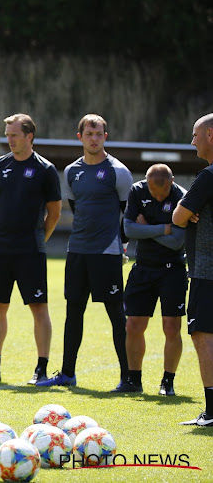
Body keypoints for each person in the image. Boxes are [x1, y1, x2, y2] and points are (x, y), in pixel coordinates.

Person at [36, 114, 133, 391]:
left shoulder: (118, 171)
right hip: (77, 251)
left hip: (107, 253)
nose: (94, 139)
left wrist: (121, 246)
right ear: (80, 137)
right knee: (73, 311)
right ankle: (67, 373)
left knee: (116, 314)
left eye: (99, 134)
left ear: (105, 136)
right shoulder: (71, 172)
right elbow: (77, 208)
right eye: (89, 134)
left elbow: (128, 215)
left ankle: (128, 378)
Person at [0, 114, 61, 385]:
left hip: (31, 249)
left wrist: (38, 238)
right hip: (1, 247)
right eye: (8, 135)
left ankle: (41, 368)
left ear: (29, 137)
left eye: (14, 135)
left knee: (38, 308)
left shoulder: (46, 170)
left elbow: (54, 213)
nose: (10, 140)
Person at [123, 164, 186, 395]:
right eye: (154, 193)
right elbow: (129, 229)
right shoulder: (137, 191)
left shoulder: (182, 197)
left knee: (171, 328)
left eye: (163, 193)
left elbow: (177, 241)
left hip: (173, 270)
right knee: (133, 325)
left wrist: (147, 228)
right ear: (147, 184)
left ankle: (167, 382)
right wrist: (162, 228)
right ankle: (134, 380)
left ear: (171, 182)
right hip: (143, 269)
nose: (158, 197)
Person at [172, 113, 213, 426]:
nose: (192, 141)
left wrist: (188, 210)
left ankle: (212, 411)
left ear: (210, 135)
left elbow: (178, 217)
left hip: (207, 271)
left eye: (195, 135)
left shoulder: (208, 176)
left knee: (203, 334)